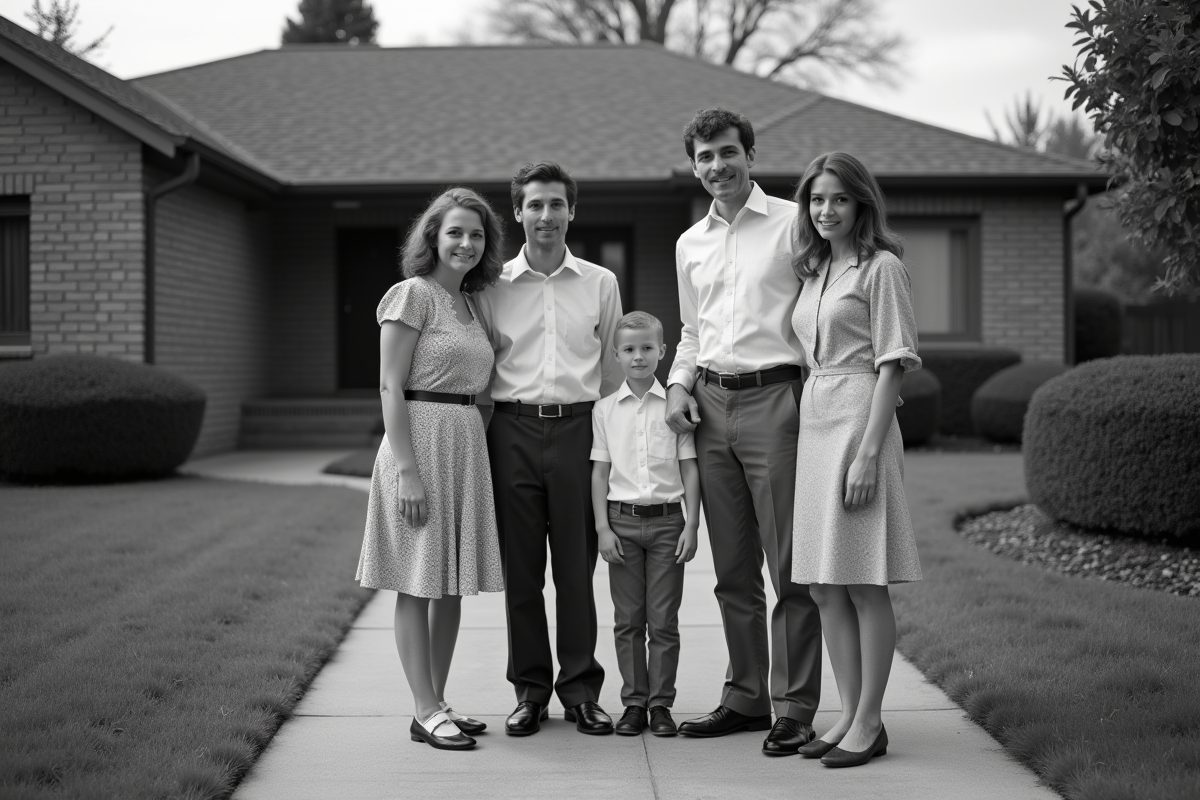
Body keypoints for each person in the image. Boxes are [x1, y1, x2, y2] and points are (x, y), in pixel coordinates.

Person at [664, 108, 822, 755]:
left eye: (727, 152)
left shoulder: (794, 222)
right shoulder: (689, 243)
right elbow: (692, 331)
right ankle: (747, 695)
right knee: (732, 570)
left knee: (788, 565)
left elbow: (817, 317)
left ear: (750, 156)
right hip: (710, 403)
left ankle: (795, 704)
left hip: (776, 400)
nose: (716, 166)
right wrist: (677, 383)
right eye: (704, 157)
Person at [474, 161, 624, 736]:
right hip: (510, 431)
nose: (546, 215)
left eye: (556, 204)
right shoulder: (491, 288)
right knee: (522, 572)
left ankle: (582, 691)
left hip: (579, 431)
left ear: (571, 211)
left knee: (575, 569)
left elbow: (612, 372)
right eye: (534, 205)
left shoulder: (599, 283)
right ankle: (530, 691)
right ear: (517, 212)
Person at [355, 187, 506, 752]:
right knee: (418, 584)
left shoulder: (471, 304)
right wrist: (407, 471)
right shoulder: (411, 295)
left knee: (451, 589)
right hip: (417, 442)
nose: (466, 243)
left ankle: (437, 703)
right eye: (455, 232)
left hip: (464, 446)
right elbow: (390, 385)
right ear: (433, 238)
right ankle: (422, 710)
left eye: (476, 234)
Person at [788, 152, 923, 768]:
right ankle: (845, 713)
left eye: (838, 198)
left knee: (865, 581)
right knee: (823, 585)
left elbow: (894, 360)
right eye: (817, 199)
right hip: (816, 423)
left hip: (860, 419)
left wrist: (870, 452)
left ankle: (870, 721)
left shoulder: (881, 268)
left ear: (861, 202)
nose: (826, 210)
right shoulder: (814, 271)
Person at [591, 311, 701, 737]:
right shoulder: (604, 411)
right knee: (628, 620)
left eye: (647, 348)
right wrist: (602, 528)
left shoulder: (675, 408)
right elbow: (599, 473)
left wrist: (692, 525)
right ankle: (633, 703)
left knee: (663, 621)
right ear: (616, 355)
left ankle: (660, 706)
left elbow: (689, 469)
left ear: (663, 351)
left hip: (668, 525)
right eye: (630, 350)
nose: (638, 357)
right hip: (620, 524)